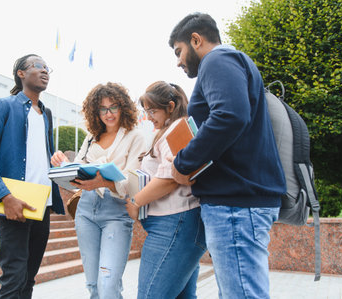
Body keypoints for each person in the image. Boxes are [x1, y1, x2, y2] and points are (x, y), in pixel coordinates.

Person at [168, 13, 286, 299]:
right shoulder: (232, 61)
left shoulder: (217, 61)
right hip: (241, 201)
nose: (179, 61)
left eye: (179, 51)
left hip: (235, 203)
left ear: (196, 40)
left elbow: (230, 116)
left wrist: (183, 162)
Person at [0, 54, 65, 298]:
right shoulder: (5, 106)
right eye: (37, 66)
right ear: (21, 74)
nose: (44, 71)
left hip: (41, 205)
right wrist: (5, 197)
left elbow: (42, 158)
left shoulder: (47, 113)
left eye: (47, 68)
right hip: (13, 204)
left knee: (28, 280)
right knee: (13, 281)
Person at [50, 82, 145, 299]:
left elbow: (132, 184)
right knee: (93, 286)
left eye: (113, 107)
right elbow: (78, 170)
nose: (108, 113)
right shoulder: (91, 137)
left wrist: (103, 183)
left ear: (124, 108)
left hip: (116, 213)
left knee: (108, 284)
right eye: (103, 109)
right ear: (95, 111)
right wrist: (65, 164)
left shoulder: (135, 136)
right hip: (86, 211)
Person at [125, 81, 206, 299]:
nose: (148, 116)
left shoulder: (177, 129)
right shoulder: (171, 129)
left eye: (152, 110)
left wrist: (135, 201)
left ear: (170, 106)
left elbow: (171, 177)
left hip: (174, 224)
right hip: (176, 225)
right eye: (146, 110)